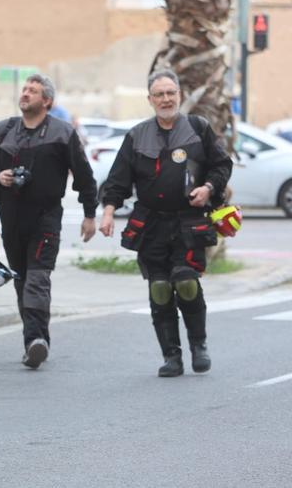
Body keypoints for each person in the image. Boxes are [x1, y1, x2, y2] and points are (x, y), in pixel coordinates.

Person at [99, 69, 232, 377]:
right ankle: (171, 356)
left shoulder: (198, 128)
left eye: (170, 92)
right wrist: (108, 212)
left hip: (189, 222)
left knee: (185, 282)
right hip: (150, 225)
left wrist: (209, 188)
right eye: (159, 94)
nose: (166, 99)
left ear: (179, 95)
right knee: (159, 288)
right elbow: (118, 181)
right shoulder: (136, 135)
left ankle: (199, 345)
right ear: (150, 100)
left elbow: (222, 164)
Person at [0, 73, 98, 370]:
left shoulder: (62, 132)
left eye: (33, 90)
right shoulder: (4, 130)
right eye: (25, 89)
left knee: (38, 277)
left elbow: (84, 176)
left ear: (47, 101)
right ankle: (35, 340)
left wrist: (89, 214)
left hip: (46, 216)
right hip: (12, 215)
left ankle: (35, 339)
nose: (26, 93)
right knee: (21, 279)